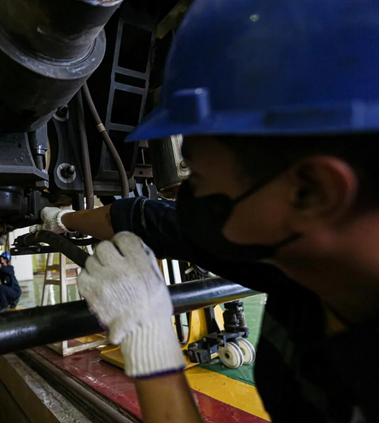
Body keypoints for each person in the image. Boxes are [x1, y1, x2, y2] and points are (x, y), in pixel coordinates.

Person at [33, 0, 379, 421]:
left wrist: (151, 348)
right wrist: (62, 219)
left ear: (312, 192)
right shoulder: (307, 260)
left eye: (195, 173)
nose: (188, 197)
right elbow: (150, 221)